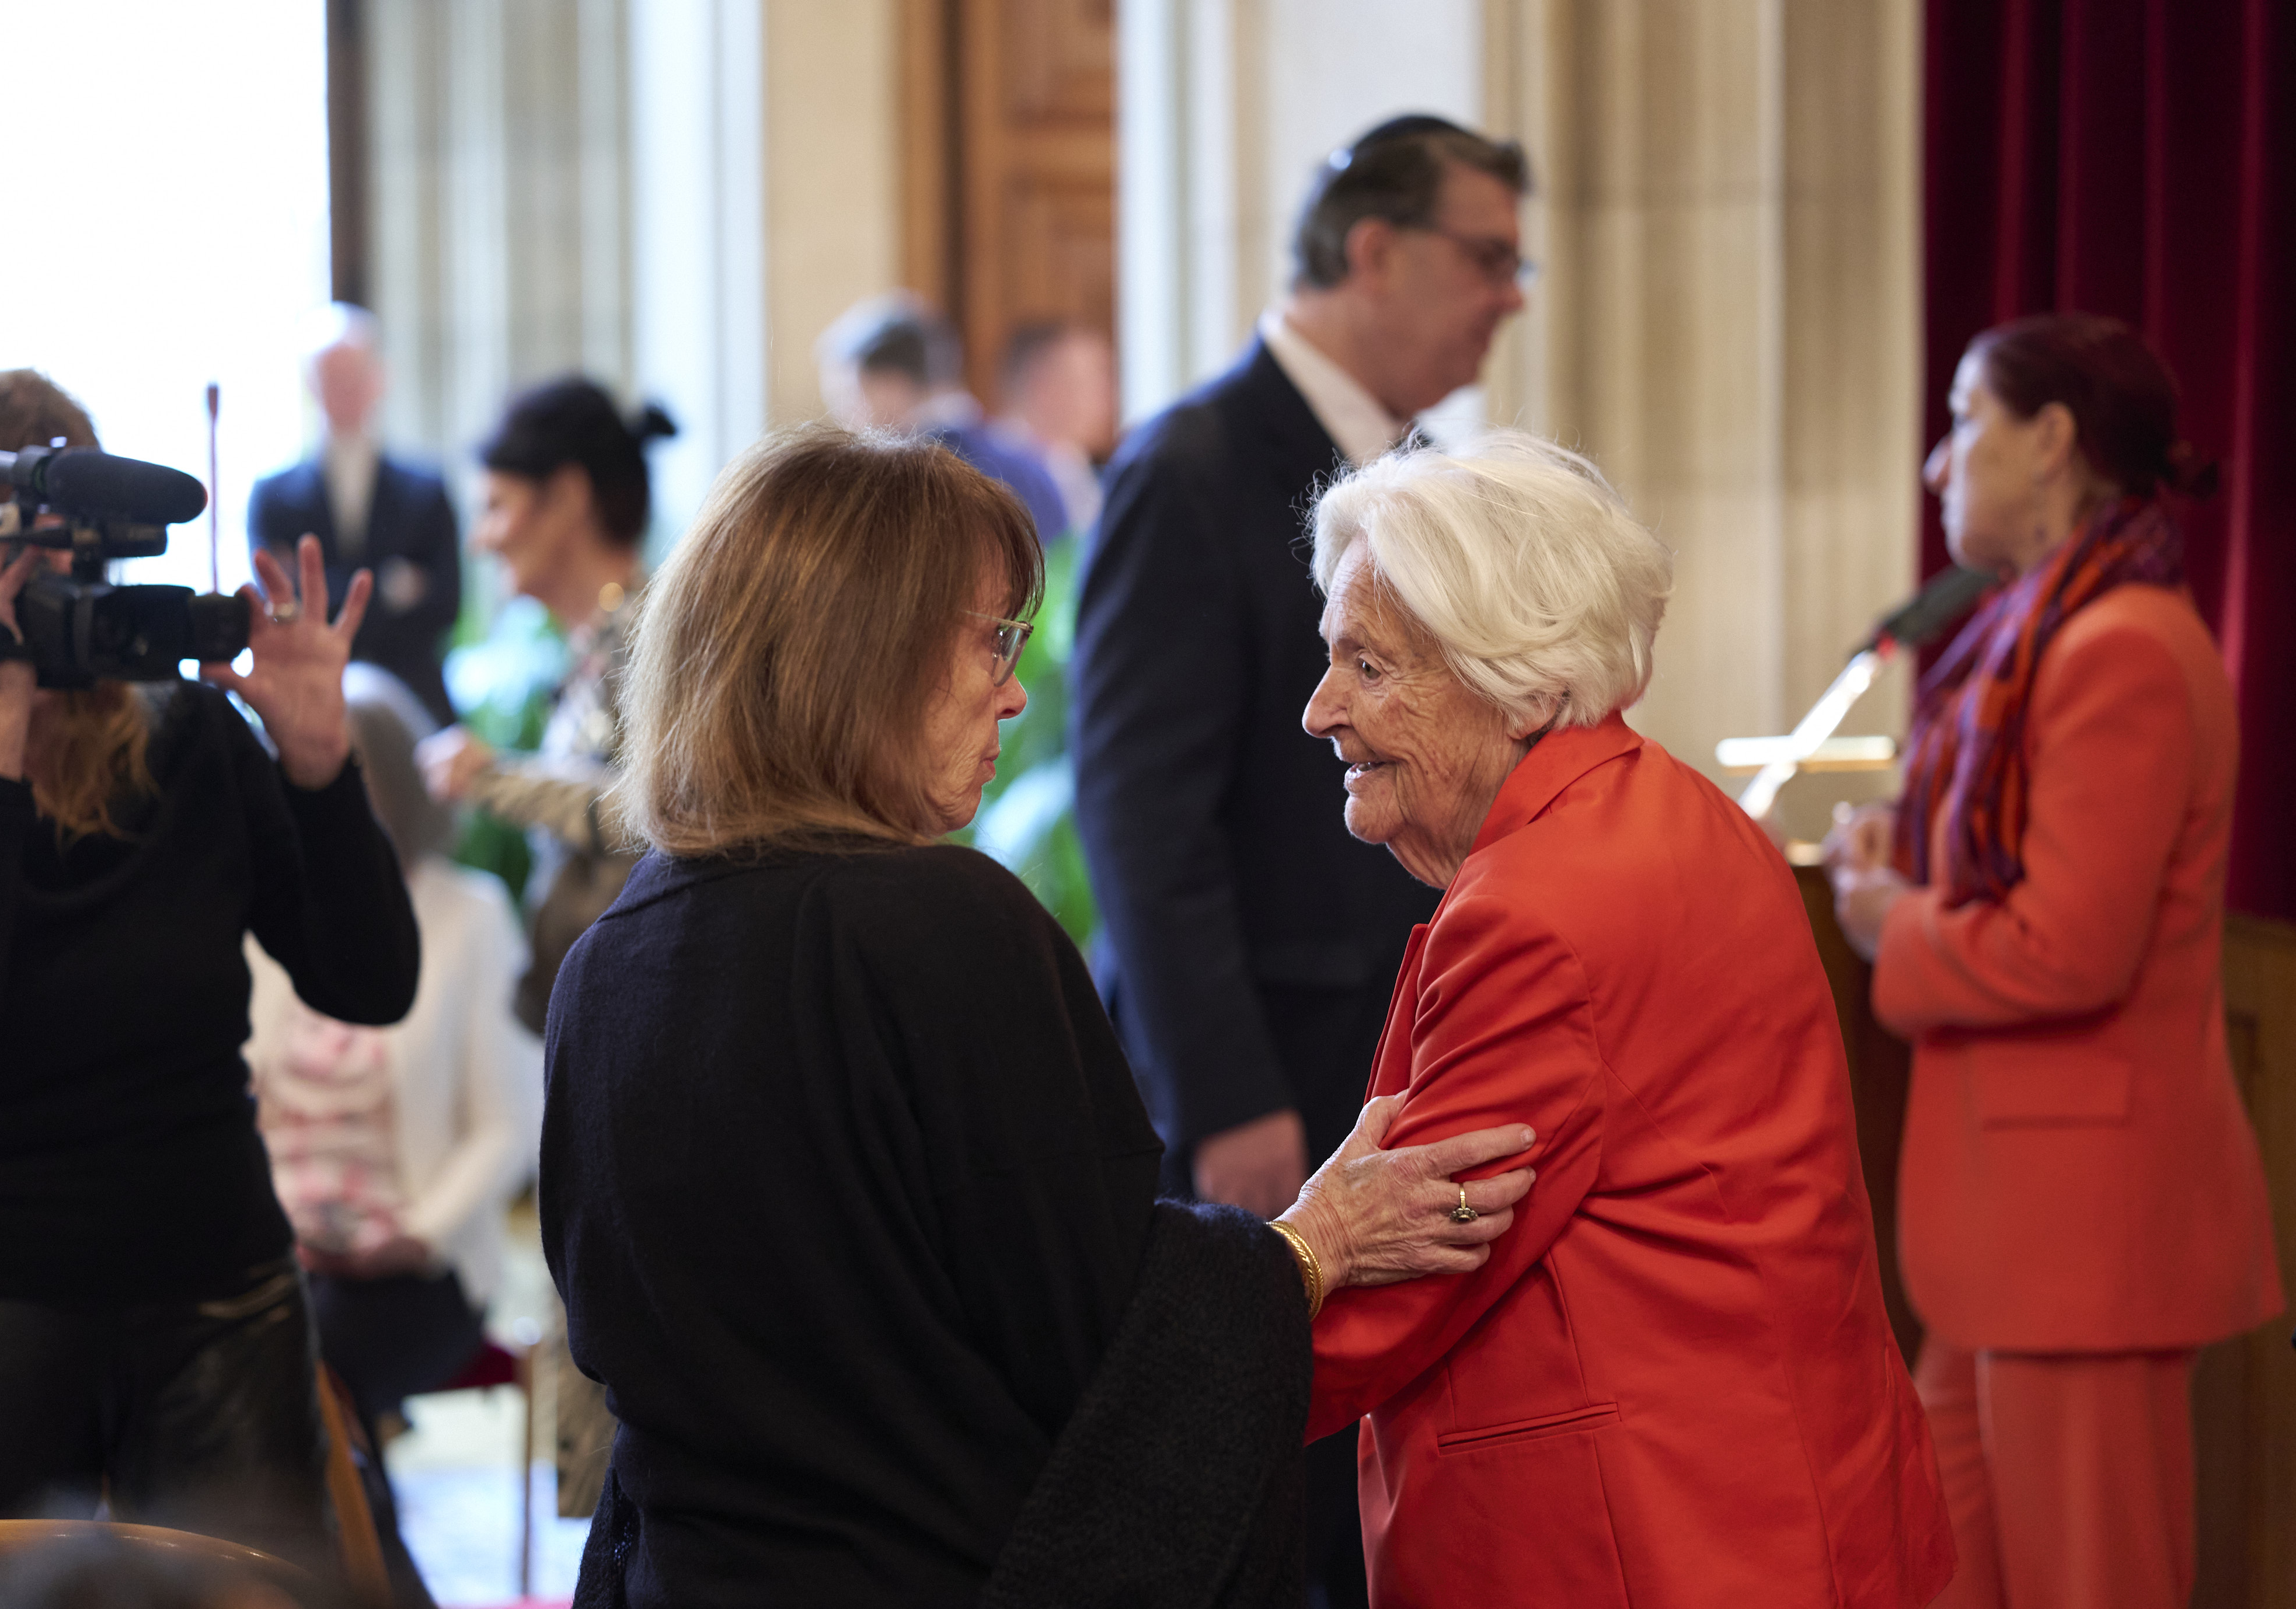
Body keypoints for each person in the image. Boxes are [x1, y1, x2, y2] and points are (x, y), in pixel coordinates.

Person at [539, 427, 1539, 1608]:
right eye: (992, 641)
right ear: (871, 651)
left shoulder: (608, 958)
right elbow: (1105, 1352)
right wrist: (1311, 1244)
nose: (1018, 687)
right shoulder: (938, 927)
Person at [1296, 430, 1953, 1605]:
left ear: (1525, 684)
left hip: (1651, 1540)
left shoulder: (1539, 912)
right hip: (1777, 1501)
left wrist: (1144, 1368)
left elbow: (1398, 1286)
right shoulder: (1677, 811)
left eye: (1371, 665)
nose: (1320, 709)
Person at [1068, 111, 1531, 1603]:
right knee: (1281, 1500)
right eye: (1486, 257)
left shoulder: (1422, 475)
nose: (1510, 295)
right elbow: (1141, 804)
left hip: (1390, 1040)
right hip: (1272, 1064)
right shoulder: (1195, 461)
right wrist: (1232, 1096)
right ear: (1373, 249)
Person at [0, 363, 420, 1567]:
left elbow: (369, 980)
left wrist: (321, 766)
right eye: (26, 555)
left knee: (261, 1593)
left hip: (211, 1285)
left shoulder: (188, 736)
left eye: (78, 548)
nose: (60, 581)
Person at [1826, 314, 2281, 1609]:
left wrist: (1891, 925)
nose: (1938, 462)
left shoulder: (2118, 646)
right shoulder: (2042, 636)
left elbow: (2067, 948)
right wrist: (1896, 844)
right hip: (2015, 1241)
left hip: (2084, 1235)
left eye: (1966, 420)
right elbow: (2008, 866)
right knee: (1942, 1571)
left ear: (2053, 442)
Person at [248, 666, 542, 1443]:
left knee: (298, 1373)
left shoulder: (470, 916)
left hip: (417, 1266)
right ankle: (348, 1560)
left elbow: (511, 1125)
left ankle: (337, 1563)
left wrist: (416, 1231)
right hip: (281, 1250)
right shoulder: (272, 908)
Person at [417, 376, 677, 1033]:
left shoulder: (660, 643)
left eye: (497, 506)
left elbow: (653, 809)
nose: (480, 539)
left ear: (565, 498)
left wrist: (494, 778)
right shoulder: (602, 640)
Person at [250, 304, 464, 726]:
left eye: (355, 375)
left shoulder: (427, 489)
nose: (344, 389)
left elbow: (446, 605)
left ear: (379, 379)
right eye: (332, 377)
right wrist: (388, 589)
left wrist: (328, 595)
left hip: (415, 702)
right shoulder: (273, 495)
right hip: (311, 699)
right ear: (311, 384)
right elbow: (280, 605)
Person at [816, 292, 1070, 542]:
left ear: (892, 386)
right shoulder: (1029, 461)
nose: (842, 416)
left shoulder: (905, 478)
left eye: (849, 394)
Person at [995, 320, 1117, 538]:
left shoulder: (1069, 464)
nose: (1108, 396)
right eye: (1096, 379)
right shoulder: (1002, 476)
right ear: (1044, 387)